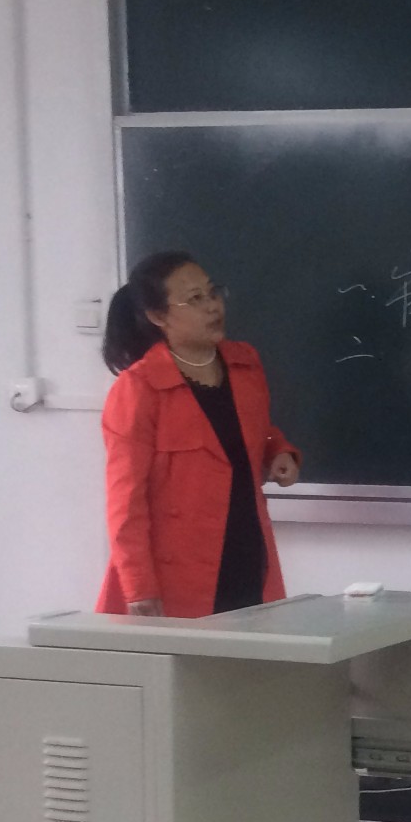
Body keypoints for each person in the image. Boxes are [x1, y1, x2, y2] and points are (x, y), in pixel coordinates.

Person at [97, 250, 301, 618]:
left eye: (212, 292)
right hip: (179, 571)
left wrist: (278, 451)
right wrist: (138, 585)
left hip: (247, 549)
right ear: (158, 316)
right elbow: (125, 500)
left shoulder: (244, 364)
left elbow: (256, 430)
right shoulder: (140, 388)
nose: (212, 306)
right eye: (194, 299)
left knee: (258, 649)